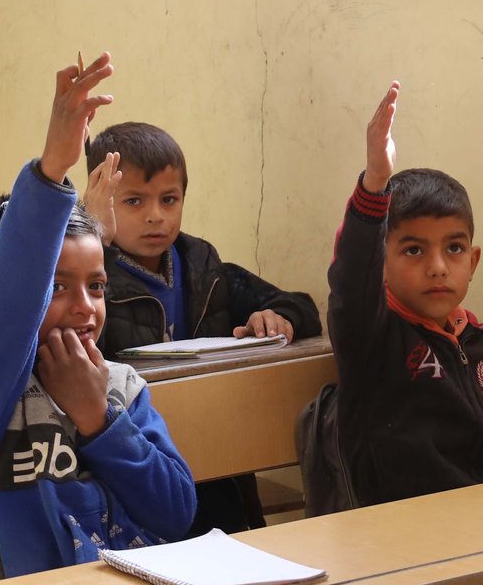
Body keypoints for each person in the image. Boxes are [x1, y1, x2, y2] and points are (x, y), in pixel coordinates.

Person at [0, 54, 196, 585]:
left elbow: (176, 511)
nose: (84, 307)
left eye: (97, 286)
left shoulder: (120, 386)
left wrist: (99, 420)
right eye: (58, 288)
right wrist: (52, 172)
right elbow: (8, 302)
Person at [77, 120, 323, 532]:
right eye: (134, 202)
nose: (156, 216)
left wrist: (278, 318)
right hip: (135, 463)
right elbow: (60, 336)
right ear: (102, 201)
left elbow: (301, 306)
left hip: (218, 460)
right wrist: (93, 236)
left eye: (169, 200)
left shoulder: (204, 268)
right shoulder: (91, 280)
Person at [325, 81, 483, 508]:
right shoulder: (372, 339)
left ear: (473, 262)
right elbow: (351, 282)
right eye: (413, 250)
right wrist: (374, 184)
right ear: (380, 265)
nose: (438, 266)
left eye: (454, 248)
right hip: (404, 536)